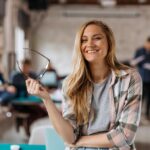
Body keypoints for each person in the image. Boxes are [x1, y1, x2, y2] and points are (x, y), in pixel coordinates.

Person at [26, 20, 142, 150]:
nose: (90, 44)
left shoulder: (129, 78)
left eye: (97, 38)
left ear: (109, 43)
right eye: (84, 40)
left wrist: (79, 141)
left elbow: (125, 136)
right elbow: (69, 137)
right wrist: (46, 99)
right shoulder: (70, 83)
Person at [130, 36, 150, 119]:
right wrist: (141, 59)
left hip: (149, 79)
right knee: (140, 98)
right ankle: (136, 116)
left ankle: (147, 115)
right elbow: (133, 63)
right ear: (146, 42)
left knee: (149, 98)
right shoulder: (140, 51)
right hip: (142, 78)